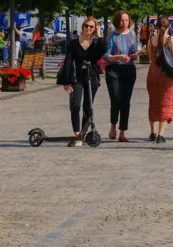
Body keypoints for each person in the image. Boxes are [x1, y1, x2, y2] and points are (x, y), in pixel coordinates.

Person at [59, 17, 107, 146]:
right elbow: (68, 61)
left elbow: (104, 48)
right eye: (86, 26)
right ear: (83, 27)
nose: (88, 28)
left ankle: (83, 134)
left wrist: (99, 35)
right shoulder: (74, 43)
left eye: (91, 27)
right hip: (78, 77)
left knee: (88, 106)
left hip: (92, 77)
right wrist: (66, 81)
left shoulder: (96, 43)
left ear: (95, 28)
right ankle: (76, 133)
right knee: (75, 105)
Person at [104, 10, 139, 143]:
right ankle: (113, 125)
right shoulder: (112, 35)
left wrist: (135, 55)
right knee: (116, 98)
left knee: (125, 100)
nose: (124, 23)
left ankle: (122, 131)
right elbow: (107, 55)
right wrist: (118, 57)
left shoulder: (132, 34)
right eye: (122, 20)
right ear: (117, 21)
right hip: (114, 69)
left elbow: (135, 51)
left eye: (126, 20)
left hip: (128, 69)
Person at [147, 14, 173, 143]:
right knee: (166, 102)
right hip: (166, 74)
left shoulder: (151, 39)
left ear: (156, 26)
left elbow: (150, 58)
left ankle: (152, 132)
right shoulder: (171, 39)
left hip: (153, 73)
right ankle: (160, 135)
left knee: (153, 101)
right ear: (169, 26)